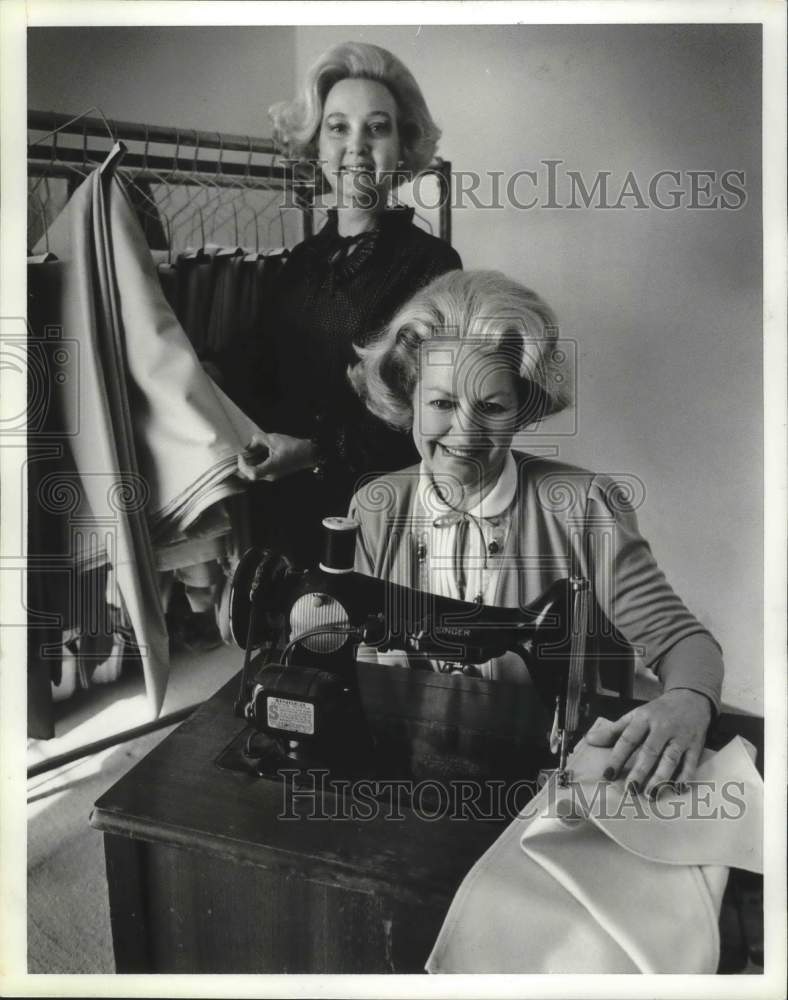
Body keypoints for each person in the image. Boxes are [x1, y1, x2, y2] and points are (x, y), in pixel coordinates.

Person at [347, 270, 723, 794]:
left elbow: (683, 641)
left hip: (545, 781)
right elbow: (364, 654)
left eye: (492, 407)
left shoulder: (584, 507)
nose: (466, 432)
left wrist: (689, 699)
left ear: (522, 409)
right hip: (410, 770)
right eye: (441, 403)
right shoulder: (375, 508)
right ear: (410, 398)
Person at [237, 42, 461, 566]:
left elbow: (425, 414)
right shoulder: (299, 262)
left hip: (376, 519)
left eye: (376, 128)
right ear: (316, 146)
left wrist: (314, 452)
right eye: (338, 128)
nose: (355, 147)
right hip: (282, 510)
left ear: (403, 149)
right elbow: (259, 369)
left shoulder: (432, 266)